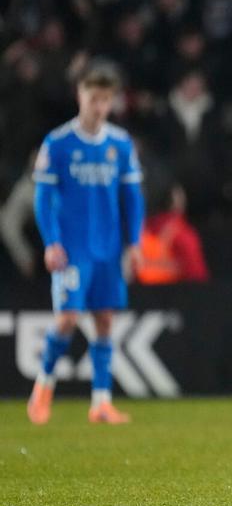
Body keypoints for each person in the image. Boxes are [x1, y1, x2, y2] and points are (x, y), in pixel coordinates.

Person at [27, 64, 146, 425]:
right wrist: (51, 242)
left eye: (105, 100)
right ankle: (43, 387)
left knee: (106, 321)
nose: (99, 106)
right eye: (93, 98)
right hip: (73, 249)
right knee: (66, 319)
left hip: (108, 248)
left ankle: (101, 402)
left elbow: (133, 197)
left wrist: (135, 242)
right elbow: (42, 198)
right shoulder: (59, 143)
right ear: (80, 95)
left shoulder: (120, 144)